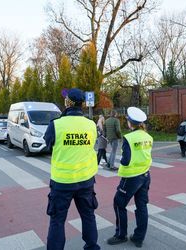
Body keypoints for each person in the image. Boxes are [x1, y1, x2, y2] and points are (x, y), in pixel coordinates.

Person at [44, 88, 100, 250]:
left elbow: (48, 144)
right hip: (86, 181)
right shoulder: (91, 125)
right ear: (82, 104)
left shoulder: (56, 124)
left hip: (62, 183)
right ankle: (92, 247)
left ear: (68, 103)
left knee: (57, 221)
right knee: (88, 216)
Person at [107, 107, 153, 248]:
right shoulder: (148, 136)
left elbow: (126, 160)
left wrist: (121, 162)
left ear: (130, 123)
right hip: (145, 175)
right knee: (141, 206)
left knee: (118, 204)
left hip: (131, 177)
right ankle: (138, 238)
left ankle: (121, 235)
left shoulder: (129, 138)